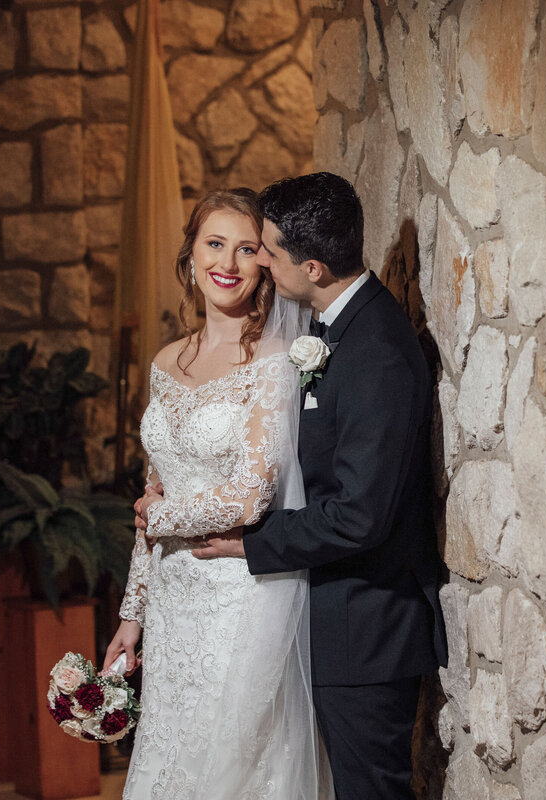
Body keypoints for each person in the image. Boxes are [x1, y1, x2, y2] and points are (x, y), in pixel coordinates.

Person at [177, 172, 449, 800]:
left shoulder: (375, 351)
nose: (259, 262)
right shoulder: (334, 328)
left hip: (365, 627)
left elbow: (358, 516)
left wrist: (250, 541)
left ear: (316, 266)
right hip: (332, 619)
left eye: (268, 251)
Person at [103, 188, 328, 800]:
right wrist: (132, 615)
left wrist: (163, 511)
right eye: (214, 243)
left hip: (240, 595)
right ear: (192, 254)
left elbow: (250, 497)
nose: (227, 262)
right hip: (174, 602)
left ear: (264, 263)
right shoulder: (166, 360)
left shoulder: (277, 361)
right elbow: (154, 492)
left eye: (246, 247)